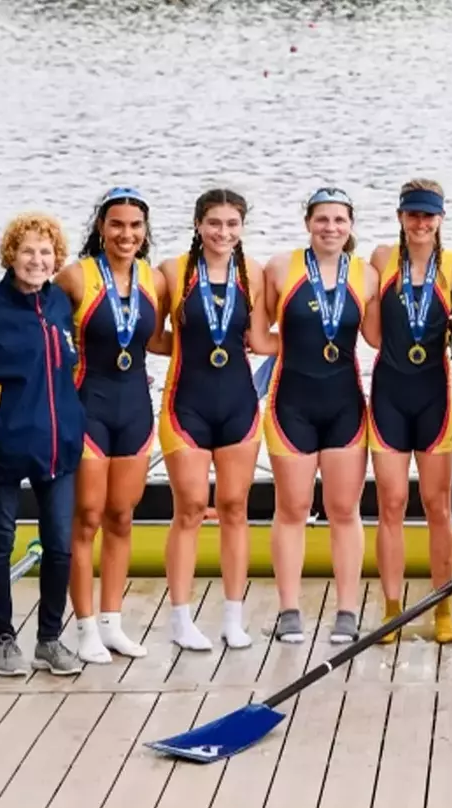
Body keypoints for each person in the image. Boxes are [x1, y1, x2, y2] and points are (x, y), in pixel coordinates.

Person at [255, 187, 376, 644]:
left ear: (350, 226)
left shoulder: (366, 275)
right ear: (308, 222)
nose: (331, 228)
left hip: (345, 404)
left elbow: (381, 339)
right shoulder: (280, 268)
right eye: (322, 219)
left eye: (340, 220)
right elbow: (259, 336)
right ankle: (289, 610)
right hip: (291, 403)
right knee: (292, 509)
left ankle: (347, 611)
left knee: (345, 509)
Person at [155, 188, 264, 652]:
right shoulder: (172, 272)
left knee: (236, 509)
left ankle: (233, 618)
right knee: (191, 508)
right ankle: (181, 619)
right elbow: (148, 332)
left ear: (242, 227)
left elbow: (258, 338)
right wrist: (185, 349)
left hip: (239, 405)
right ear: (198, 224)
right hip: (186, 405)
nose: (223, 232)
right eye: (214, 223)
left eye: (232, 224)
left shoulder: (252, 274)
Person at [56, 187, 160, 664]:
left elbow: (159, 341)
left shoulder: (151, 278)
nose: (126, 234)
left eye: (135, 226)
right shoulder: (75, 278)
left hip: (136, 410)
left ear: (145, 231)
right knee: (88, 519)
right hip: (88, 408)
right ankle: (82, 627)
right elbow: (46, 338)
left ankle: (112, 623)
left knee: (122, 517)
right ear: (101, 227)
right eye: (117, 225)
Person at [0, 213, 87, 677]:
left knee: (60, 544)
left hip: (59, 445)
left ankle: (49, 639)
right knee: (0, 541)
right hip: (3, 444)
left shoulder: (60, 302)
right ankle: (4, 639)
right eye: (27, 252)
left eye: (46, 253)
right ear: (10, 255)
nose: (37, 261)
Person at [364, 180, 452, 645]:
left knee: (438, 506)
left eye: (429, 216)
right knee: (391, 504)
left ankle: (443, 608)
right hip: (388, 394)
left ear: (441, 218)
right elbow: (371, 334)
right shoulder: (382, 260)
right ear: (401, 217)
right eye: (413, 215)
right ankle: (391, 609)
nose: (421, 224)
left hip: (435, 399)